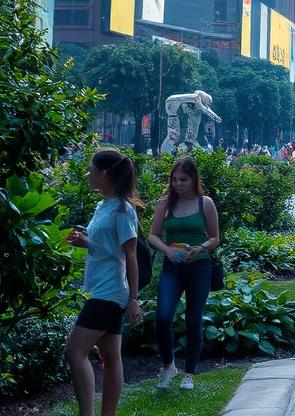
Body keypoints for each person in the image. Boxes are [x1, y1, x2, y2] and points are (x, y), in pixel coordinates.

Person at [65, 150, 144, 416]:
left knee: (75, 350)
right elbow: (105, 245)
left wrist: (133, 299)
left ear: (105, 173)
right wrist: (86, 239)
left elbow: (129, 255)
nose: (88, 174)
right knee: (110, 356)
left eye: (92, 169)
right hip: (99, 289)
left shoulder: (123, 210)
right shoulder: (103, 206)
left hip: (109, 292)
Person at [148, 157, 220, 390]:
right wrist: (167, 250)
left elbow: (215, 238)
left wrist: (200, 247)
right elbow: (153, 235)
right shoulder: (165, 204)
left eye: (183, 179)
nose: (178, 184)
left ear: (193, 179)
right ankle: (168, 366)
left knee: (193, 321)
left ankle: (189, 373)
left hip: (199, 267)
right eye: (174, 179)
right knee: (163, 316)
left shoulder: (204, 203)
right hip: (173, 267)